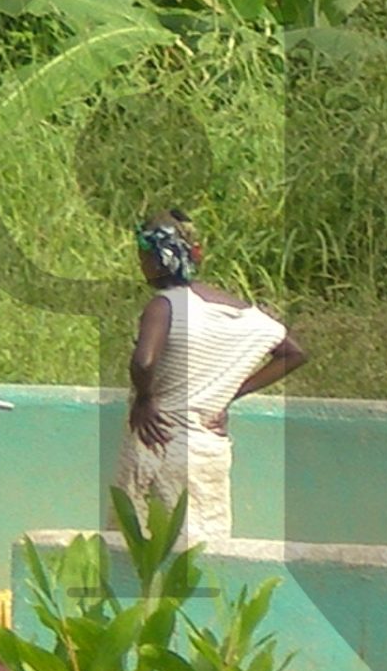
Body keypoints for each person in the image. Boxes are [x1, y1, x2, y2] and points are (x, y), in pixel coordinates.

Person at [113, 211, 305, 541]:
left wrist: (145, 398)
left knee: (137, 548)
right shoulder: (243, 313)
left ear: (157, 259)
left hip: (159, 440)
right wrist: (229, 393)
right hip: (209, 450)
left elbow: (143, 362)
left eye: (143, 257)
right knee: (205, 547)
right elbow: (294, 353)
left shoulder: (164, 305)